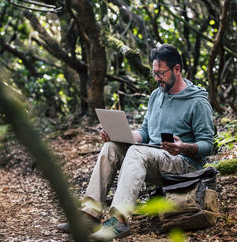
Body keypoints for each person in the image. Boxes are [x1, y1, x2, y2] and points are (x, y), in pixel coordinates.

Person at [57, 44, 215, 241]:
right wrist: (119, 135)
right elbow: (146, 133)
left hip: (183, 164)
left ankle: (119, 220)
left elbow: (209, 145)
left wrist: (182, 146)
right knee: (111, 147)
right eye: (154, 73)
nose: (157, 78)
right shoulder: (156, 95)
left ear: (177, 69)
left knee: (137, 152)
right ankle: (89, 214)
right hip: (154, 157)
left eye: (161, 73)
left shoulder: (197, 101)